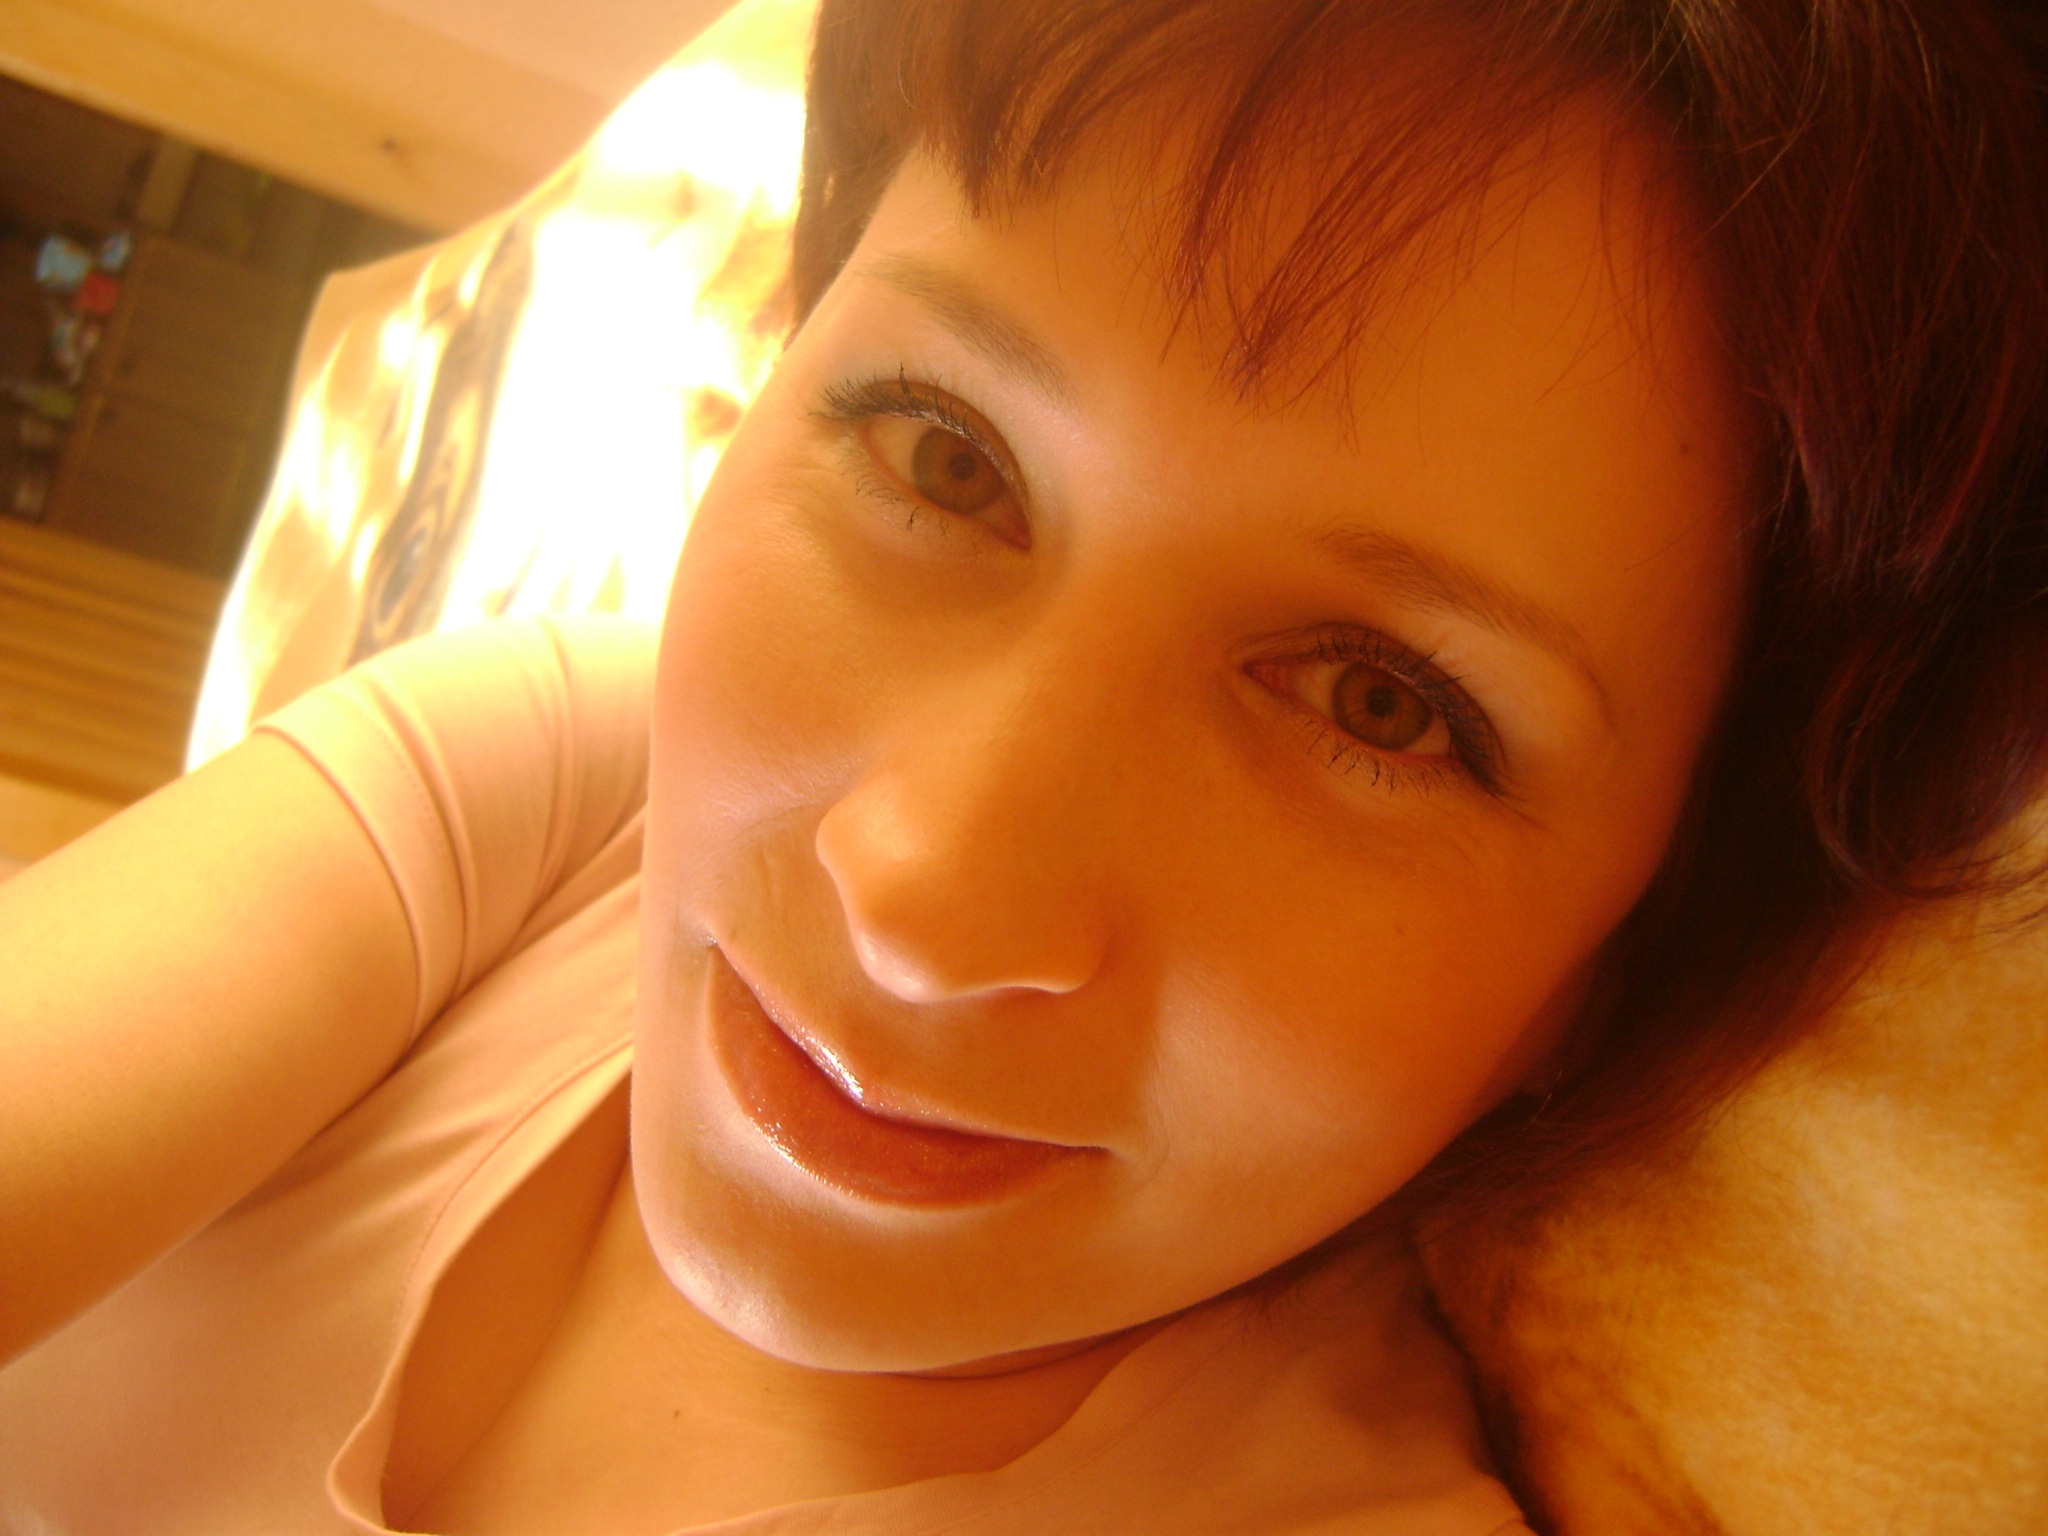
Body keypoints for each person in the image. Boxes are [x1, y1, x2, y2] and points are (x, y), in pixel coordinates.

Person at [2, 0, 2044, 1531]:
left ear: (1616, 966)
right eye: (944, 454)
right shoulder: (547, 793)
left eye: (1377, 702)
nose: (923, 893)